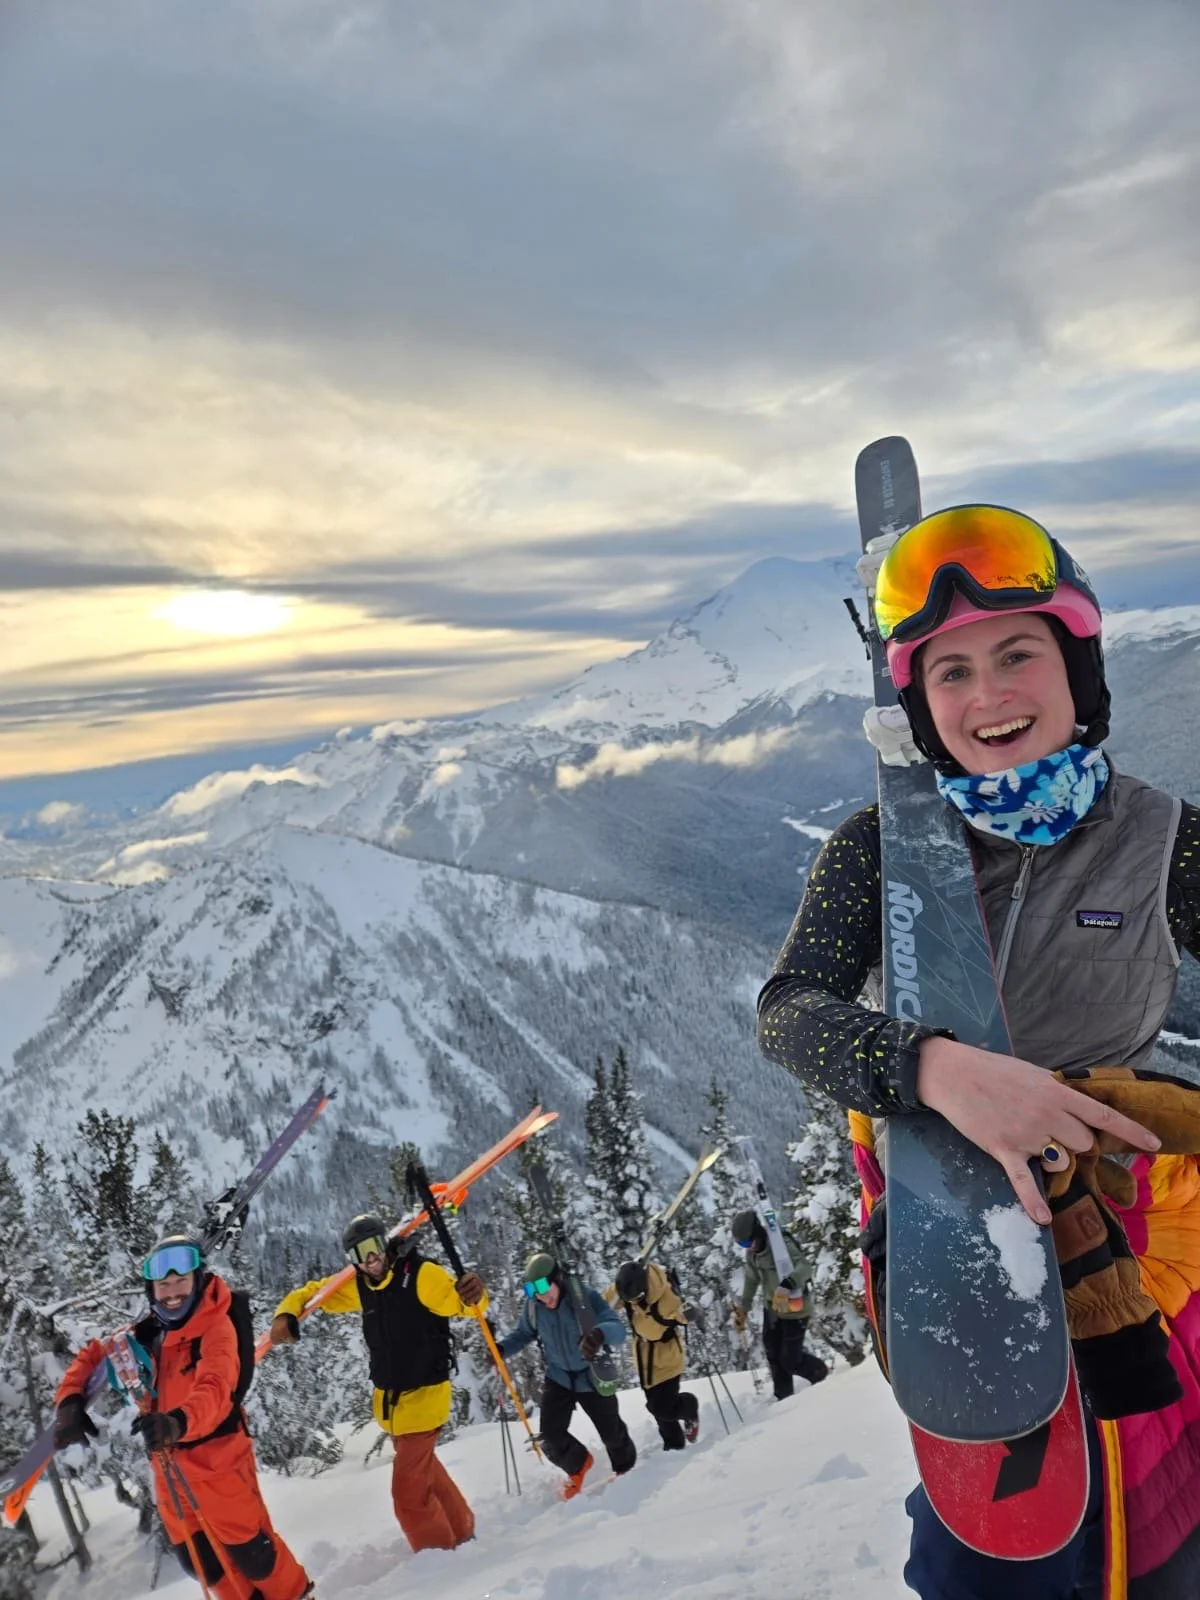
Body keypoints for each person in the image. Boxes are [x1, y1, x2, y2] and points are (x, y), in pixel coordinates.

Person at [757, 502, 1200, 1599]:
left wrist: (1149, 1099)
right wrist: (937, 1070)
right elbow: (790, 1011)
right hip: (953, 1234)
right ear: (918, 703)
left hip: (1137, 1230)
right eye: (949, 673)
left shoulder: (1162, 842)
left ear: (1075, 667)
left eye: (1017, 654)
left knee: (1162, 1512)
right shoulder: (883, 846)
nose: (989, 695)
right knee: (997, 1532)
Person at [54, 1234, 313, 1600]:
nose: (172, 1292)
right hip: (169, 1467)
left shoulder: (215, 1327)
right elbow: (94, 1356)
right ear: (151, 1289)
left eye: (181, 1281)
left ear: (197, 1281)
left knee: (255, 1557)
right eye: (163, 1284)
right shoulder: (149, 1331)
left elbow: (216, 1388)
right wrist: (69, 1401)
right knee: (202, 1563)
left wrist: (178, 1421)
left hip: (219, 1461)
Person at [268, 1212, 485, 1553]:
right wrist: (286, 1313)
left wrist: (473, 1295)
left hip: (424, 1400)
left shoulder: (420, 1275)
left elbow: (459, 1303)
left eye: (373, 1248)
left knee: (408, 1495)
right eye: (359, 1254)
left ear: (385, 1243)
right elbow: (313, 1294)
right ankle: (461, 1531)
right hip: (394, 1407)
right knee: (427, 1473)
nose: (369, 1260)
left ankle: (439, 1561)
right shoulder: (361, 1287)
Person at [496, 1249, 636, 1497]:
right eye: (537, 1295)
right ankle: (579, 1465)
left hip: (589, 1375)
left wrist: (599, 1334)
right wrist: (501, 1349)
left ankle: (627, 1470)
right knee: (550, 1436)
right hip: (559, 1376)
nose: (543, 1300)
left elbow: (618, 1329)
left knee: (612, 1433)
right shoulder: (534, 1307)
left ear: (558, 1280)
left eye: (547, 1294)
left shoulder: (583, 1299)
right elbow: (523, 1334)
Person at [729, 1209, 828, 1399]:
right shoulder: (754, 1254)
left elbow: (805, 1267)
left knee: (790, 1360)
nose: (748, 1247)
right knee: (773, 1354)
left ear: (757, 1233)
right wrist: (743, 1310)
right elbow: (751, 1281)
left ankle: (820, 1375)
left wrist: (788, 1284)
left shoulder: (781, 1245)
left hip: (795, 1310)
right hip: (773, 1309)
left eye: (748, 1242)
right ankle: (784, 1397)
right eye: (743, 1245)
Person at [608, 1258, 700, 1450]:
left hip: (666, 1360)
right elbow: (607, 1300)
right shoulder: (626, 1288)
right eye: (629, 1300)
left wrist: (689, 1314)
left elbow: (679, 1312)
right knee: (658, 1409)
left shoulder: (665, 1299)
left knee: (662, 1407)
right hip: (645, 1361)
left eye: (636, 1299)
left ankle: (690, 1407)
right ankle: (674, 1445)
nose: (633, 1303)